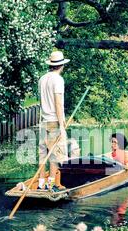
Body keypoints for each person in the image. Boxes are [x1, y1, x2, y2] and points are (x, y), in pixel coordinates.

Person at [37, 51, 70, 192]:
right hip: (54, 121)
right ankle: (52, 185)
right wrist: (62, 125)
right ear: (61, 65)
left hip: (43, 121)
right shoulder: (58, 80)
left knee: (43, 154)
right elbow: (58, 104)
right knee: (55, 155)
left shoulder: (42, 79)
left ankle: (40, 184)